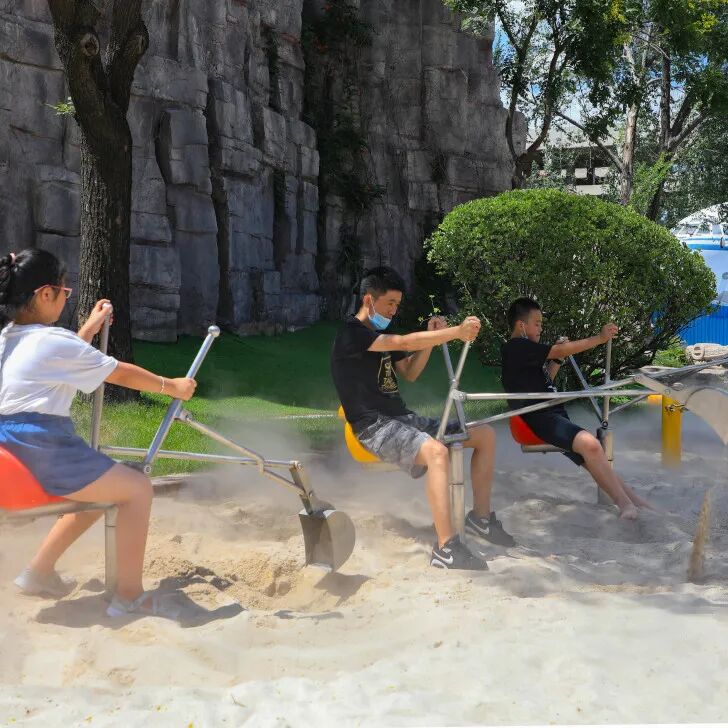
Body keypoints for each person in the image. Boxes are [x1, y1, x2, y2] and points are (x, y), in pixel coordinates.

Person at [0, 248, 196, 617]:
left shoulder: (9, 338)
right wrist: (172, 385)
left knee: (109, 482)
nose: (65, 297)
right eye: (64, 291)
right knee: (136, 488)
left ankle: (38, 573)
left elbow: (63, 357)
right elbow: (117, 372)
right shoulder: (51, 342)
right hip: (43, 447)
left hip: (15, 451)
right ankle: (130, 596)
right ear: (45, 294)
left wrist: (90, 326)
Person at [331, 266, 515, 571]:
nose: (394, 310)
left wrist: (431, 338)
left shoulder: (380, 334)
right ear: (369, 300)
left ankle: (480, 519)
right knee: (436, 452)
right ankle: (446, 548)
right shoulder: (351, 333)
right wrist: (455, 332)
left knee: (484, 434)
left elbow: (410, 372)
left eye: (397, 304)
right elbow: (403, 343)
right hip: (373, 426)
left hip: (403, 419)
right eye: (390, 303)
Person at [501, 297, 651, 519]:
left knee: (593, 458)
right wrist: (599, 338)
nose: (541, 329)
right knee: (591, 445)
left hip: (551, 414)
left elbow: (546, 379)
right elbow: (559, 350)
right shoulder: (516, 346)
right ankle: (625, 504)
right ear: (521, 325)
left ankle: (635, 502)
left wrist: (557, 360)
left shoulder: (525, 352)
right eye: (537, 324)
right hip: (538, 417)